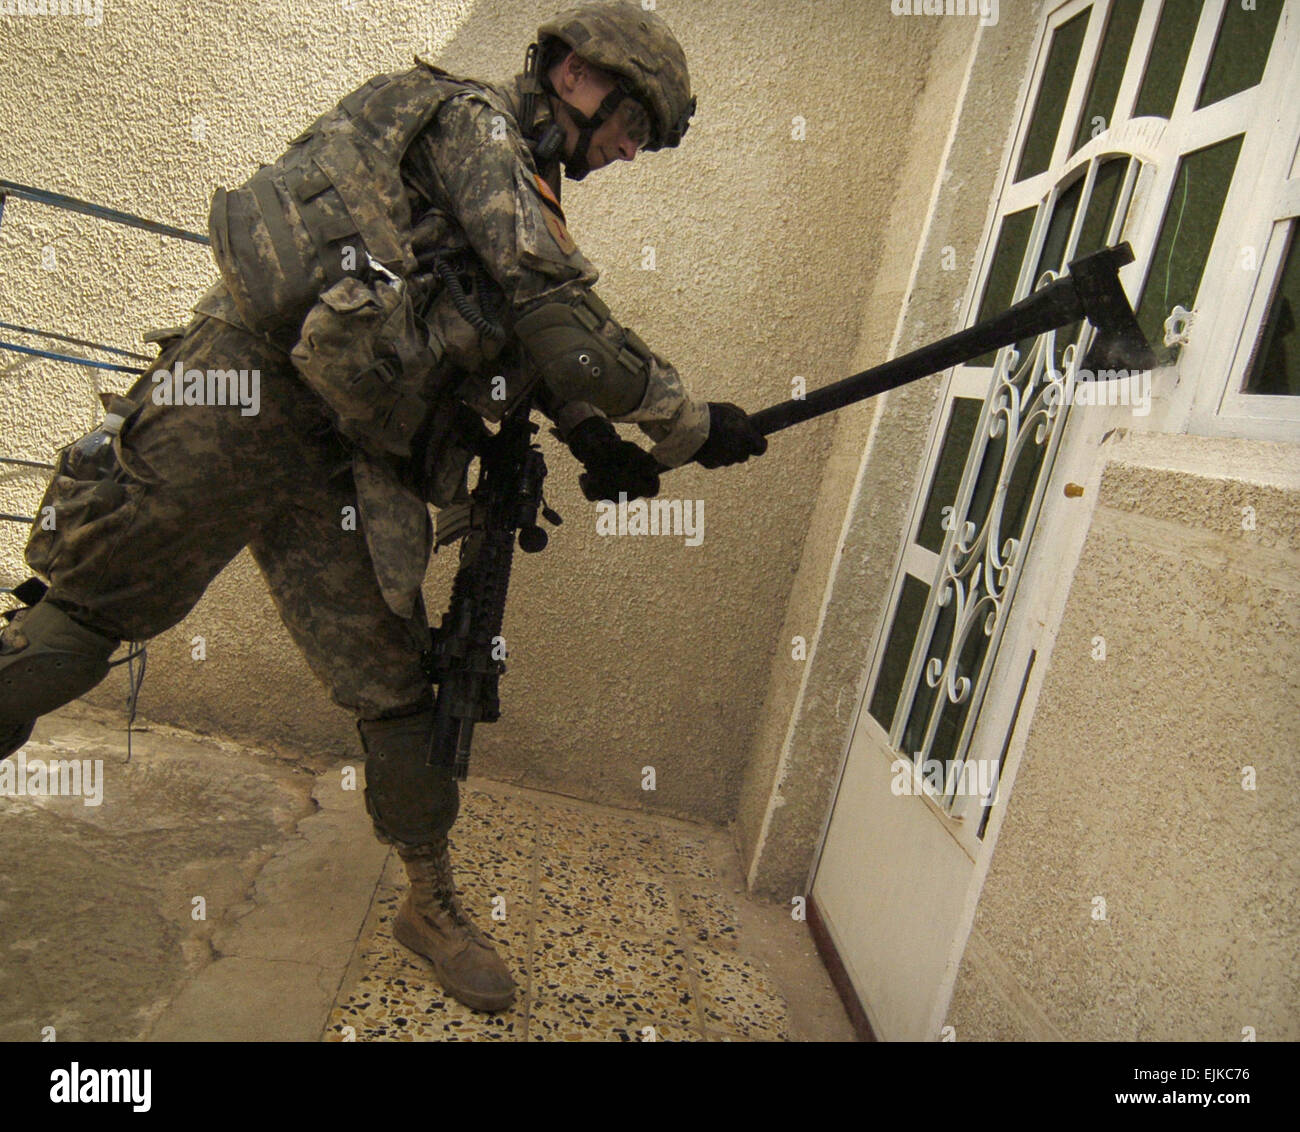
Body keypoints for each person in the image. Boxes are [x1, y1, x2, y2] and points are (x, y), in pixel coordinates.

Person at [0, 1, 765, 1013]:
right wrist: (688, 422)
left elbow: (524, 339)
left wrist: (592, 436)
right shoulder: (474, 130)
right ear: (577, 75)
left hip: (346, 463)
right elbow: (563, 321)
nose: (629, 150)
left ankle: (428, 903)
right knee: (82, 619)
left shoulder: (519, 187)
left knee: (397, 685)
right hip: (233, 403)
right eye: (632, 125)